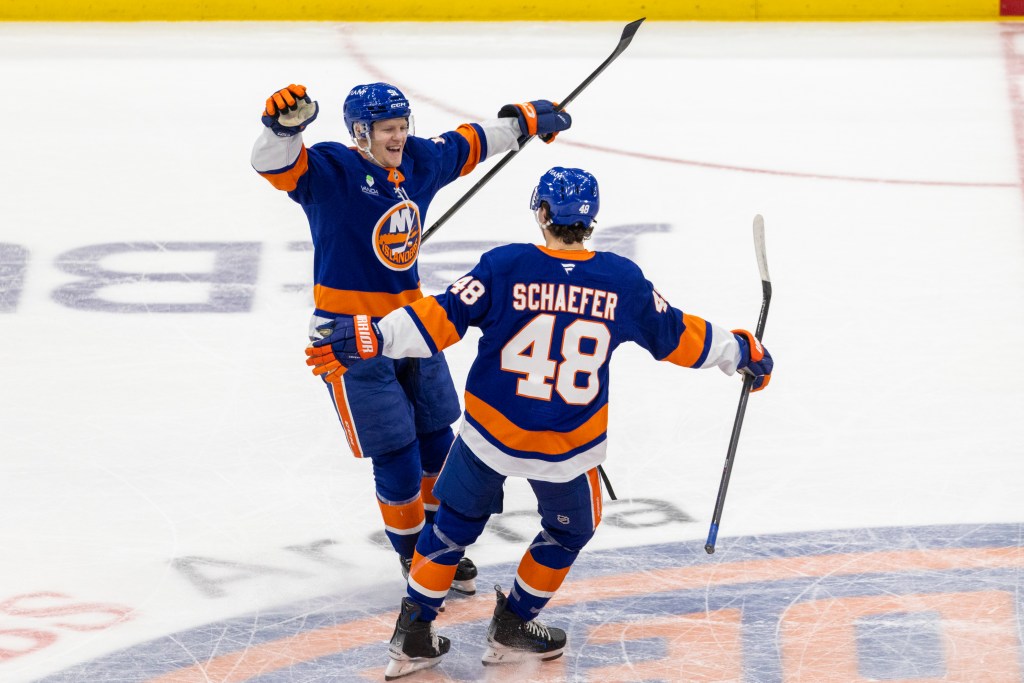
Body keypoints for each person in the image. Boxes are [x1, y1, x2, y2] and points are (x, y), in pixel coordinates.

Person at [305, 167, 774, 680]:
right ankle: (514, 624)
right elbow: (679, 336)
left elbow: (437, 318)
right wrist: (740, 351)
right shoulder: (621, 281)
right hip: (569, 448)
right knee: (569, 531)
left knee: (449, 530)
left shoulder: (506, 266)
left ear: (543, 214)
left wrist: (372, 334)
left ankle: (414, 634)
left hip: (490, 436)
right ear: (590, 221)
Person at [251, 82, 572, 595]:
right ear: (361, 133)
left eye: (402, 127)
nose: (398, 137)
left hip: (411, 328)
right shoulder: (331, 171)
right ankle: (413, 556)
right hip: (348, 337)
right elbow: (275, 166)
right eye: (387, 130)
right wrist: (281, 130)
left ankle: (436, 546)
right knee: (395, 454)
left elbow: (466, 145)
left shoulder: (418, 161)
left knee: (436, 443)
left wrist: (522, 122)